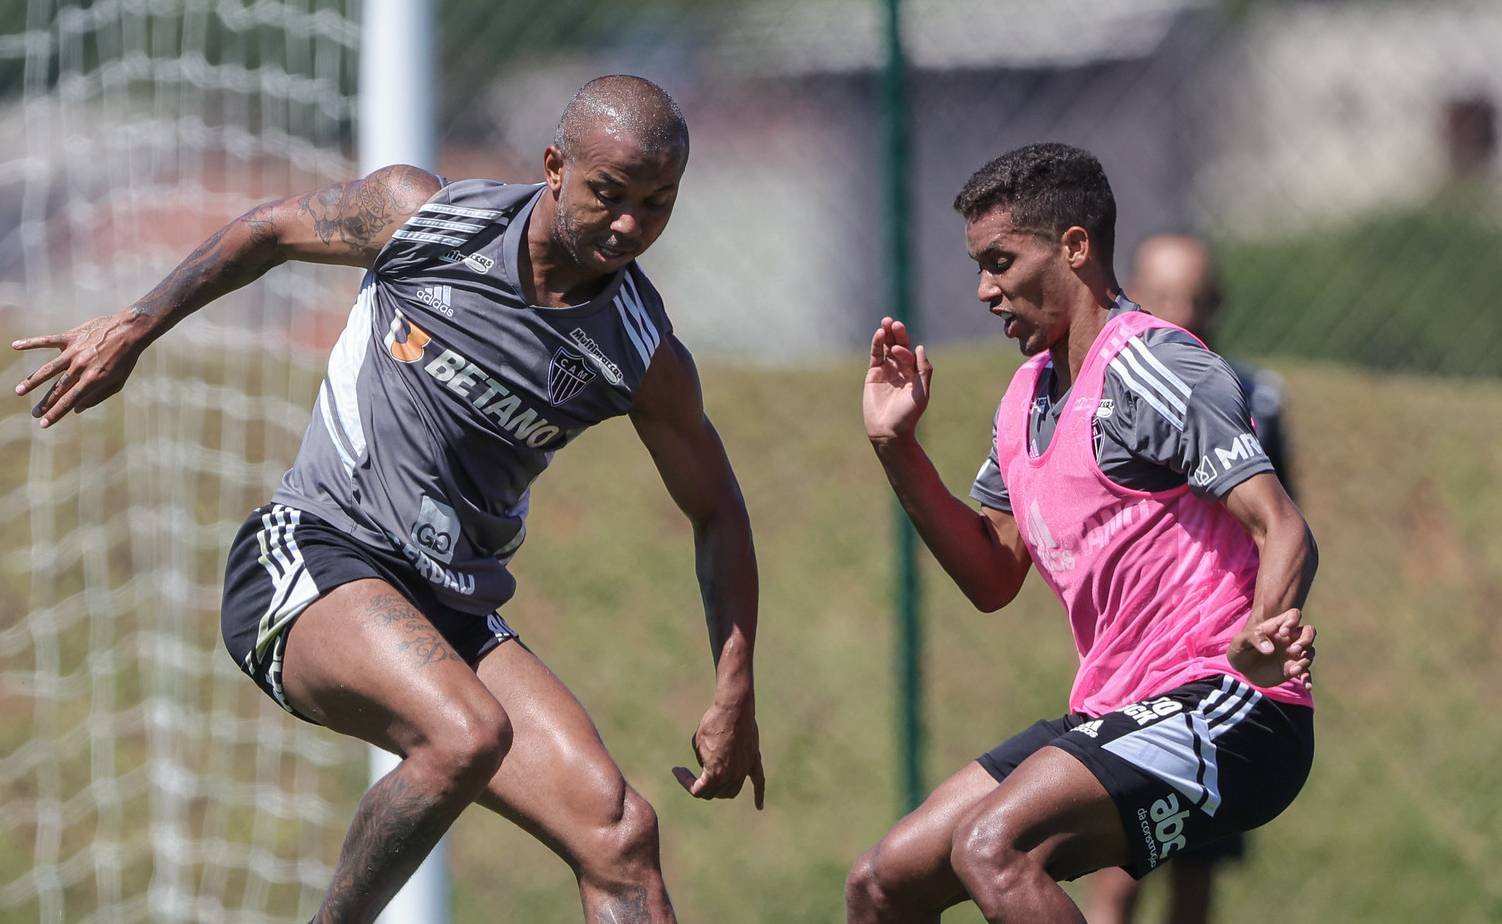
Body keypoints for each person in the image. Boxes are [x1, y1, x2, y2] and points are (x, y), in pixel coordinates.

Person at [13, 75, 763, 924]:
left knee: (619, 835)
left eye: (658, 203)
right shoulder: (424, 217)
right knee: (466, 733)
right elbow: (270, 230)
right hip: (309, 553)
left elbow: (718, 510)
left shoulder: (642, 353)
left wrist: (733, 688)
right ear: (554, 166)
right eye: (609, 195)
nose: (630, 225)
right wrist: (135, 325)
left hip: (453, 608)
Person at [847, 143, 1317, 923]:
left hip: (1231, 702)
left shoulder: (1151, 364)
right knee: (882, 883)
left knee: (993, 845)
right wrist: (897, 448)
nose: (984, 289)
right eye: (978, 266)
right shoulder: (1025, 396)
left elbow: (1283, 526)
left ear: (1074, 246)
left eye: (1000, 261)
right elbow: (994, 577)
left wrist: (1263, 637)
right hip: (1118, 713)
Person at [1084, 232, 1300, 924]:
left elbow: (1280, 522)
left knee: (1198, 861)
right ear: (1134, 299)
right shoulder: (1109, 399)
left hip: (1223, 660)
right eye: (1167, 298)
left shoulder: (1254, 397)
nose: (1186, 315)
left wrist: (1263, 627)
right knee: (1119, 862)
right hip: (1141, 659)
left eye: (1200, 299)